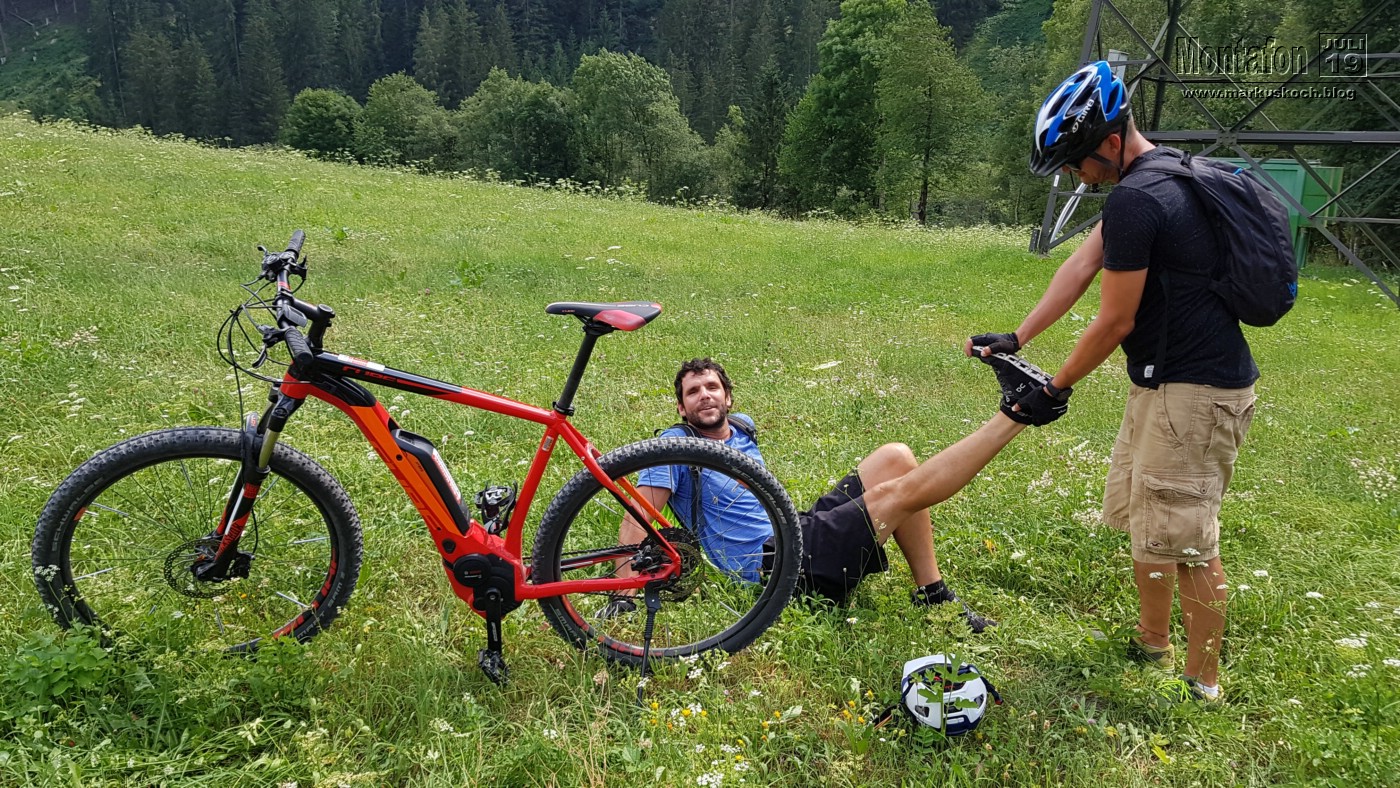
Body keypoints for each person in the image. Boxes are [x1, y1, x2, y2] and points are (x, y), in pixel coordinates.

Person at [967, 61, 1259, 701]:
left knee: (1188, 539)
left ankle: (1202, 683)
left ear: (1110, 141)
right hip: (1165, 384)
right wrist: (1018, 338)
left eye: (1076, 161)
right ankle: (1152, 642)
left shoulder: (1139, 197)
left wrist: (1054, 387)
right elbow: (1080, 266)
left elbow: (1114, 320)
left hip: (1195, 392)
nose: (1076, 175)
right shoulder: (1158, 176)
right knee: (1149, 519)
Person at [614, 356, 1062, 633]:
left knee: (896, 457)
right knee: (897, 493)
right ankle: (1017, 412)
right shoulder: (675, 447)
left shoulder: (741, 430)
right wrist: (622, 595)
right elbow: (637, 516)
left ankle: (931, 592)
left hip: (795, 532)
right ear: (681, 408)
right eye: (693, 392)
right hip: (774, 568)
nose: (704, 396)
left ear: (728, 397)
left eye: (712, 387)